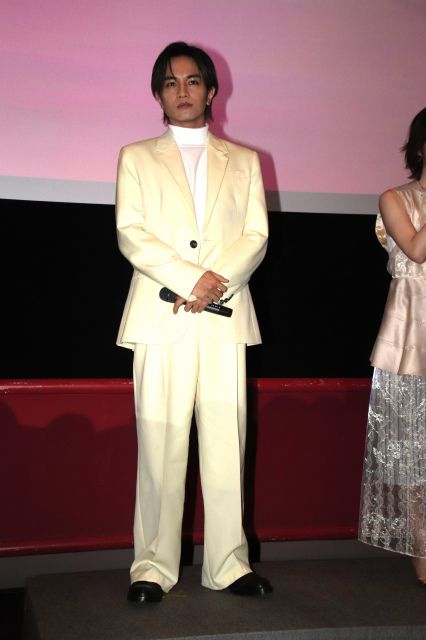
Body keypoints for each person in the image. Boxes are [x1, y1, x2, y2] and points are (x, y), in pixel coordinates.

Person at [115, 41, 271, 603]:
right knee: (160, 445)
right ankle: (152, 567)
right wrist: (190, 279)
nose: (182, 90)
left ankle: (229, 564)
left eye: (193, 81)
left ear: (211, 91)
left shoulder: (245, 161)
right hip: (161, 318)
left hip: (224, 320)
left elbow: (256, 235)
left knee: (228, 443)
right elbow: (131, 232)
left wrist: (214, 284)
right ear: (159, 95)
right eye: (170, 82)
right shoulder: (136, 156)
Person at [359, 107, 426, 586]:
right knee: (412, 449)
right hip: (411, 333)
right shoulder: (394, 198)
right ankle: (423, 549)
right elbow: (417, 250)